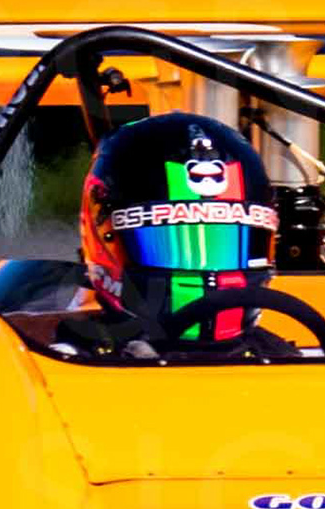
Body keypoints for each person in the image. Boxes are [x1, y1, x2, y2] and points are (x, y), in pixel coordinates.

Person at [57, 112, 299, 361]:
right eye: (163, 245)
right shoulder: (62, 361)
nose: (209, 275)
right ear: (103, 238)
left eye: (226, 245)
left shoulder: (287, 362)